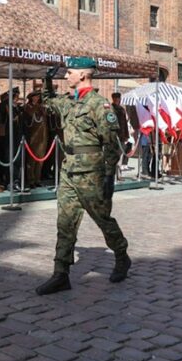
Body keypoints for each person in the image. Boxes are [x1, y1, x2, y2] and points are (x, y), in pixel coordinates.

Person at [35, 57, 131, 296]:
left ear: (83, 75)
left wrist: (108, 175)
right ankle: (61, 274)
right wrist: (47, 80)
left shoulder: (99, 105)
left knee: (102, 219)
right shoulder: (69, 102)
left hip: (91, 172)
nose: (66, 76)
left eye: (70, 73)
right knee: (65, 222)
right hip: (68, 169)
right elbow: (47, 102)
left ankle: (121, 255)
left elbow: (111, 143)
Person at [23, 91, 49, 189]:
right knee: (32, 160)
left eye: (38, 96)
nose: (37, 98)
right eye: (35, 96)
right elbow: (28, 119)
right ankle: (31, 179)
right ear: (31, 97)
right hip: (33, 137)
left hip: (42, 136)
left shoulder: (41, 107)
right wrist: (36, 108)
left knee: (40, 159)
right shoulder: (28, 107)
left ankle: (38, 179)